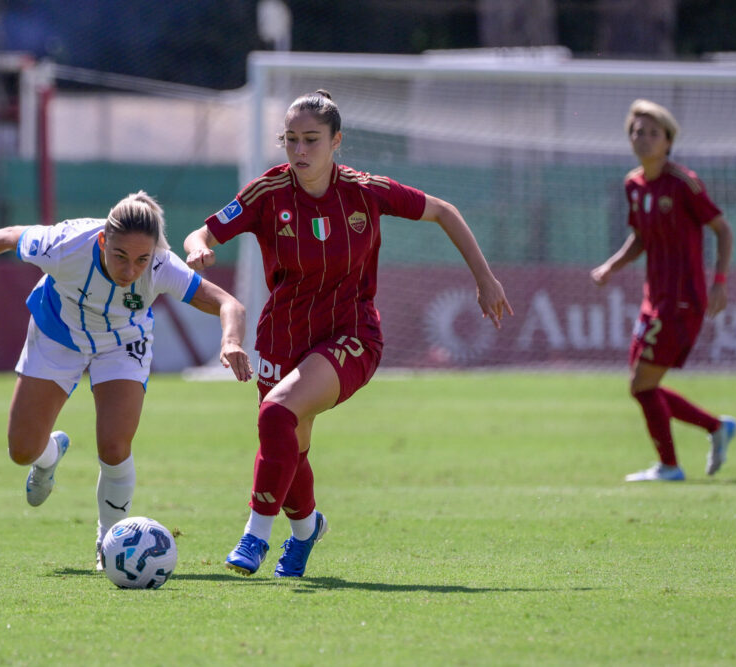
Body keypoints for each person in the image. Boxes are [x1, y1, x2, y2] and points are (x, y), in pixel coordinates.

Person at [183, 90, 512, 578]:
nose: (299, 151)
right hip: (283, 334)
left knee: (276, 414)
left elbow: (443, 210)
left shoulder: (365, 191)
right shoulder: (267, 193)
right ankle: (306, 530)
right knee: (291, 447)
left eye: (311, 140)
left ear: (336, 141)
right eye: (290, 140)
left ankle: (255, 535)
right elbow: (203, 233)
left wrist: (485, 278)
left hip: (350, 332)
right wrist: (197, 250)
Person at [0, 191, 252, 568]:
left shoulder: (162, 266)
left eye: (141, 260)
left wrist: (230, 342)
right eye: (120, 257)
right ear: (102, 241)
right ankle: (48, 456)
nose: (130, 271)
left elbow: (230, 304)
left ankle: (109, 543)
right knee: (21, 450)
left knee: (114, 446)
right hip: (57, 333)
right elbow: (15, 235)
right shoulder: (67, 244)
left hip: (122, 342)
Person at [591, 99, 736, 482]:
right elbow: (640, 237)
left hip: (683, 299)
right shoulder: (633, 185)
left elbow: (722, 229)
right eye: (638, 132)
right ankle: (716, 428)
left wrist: (719, 282)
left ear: (668, 141)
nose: (644, 138)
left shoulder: (683, 183)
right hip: (653, 298)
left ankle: (671, 466)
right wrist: (612, 265)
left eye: (653, 133)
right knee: (642, 385)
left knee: (641, 384)